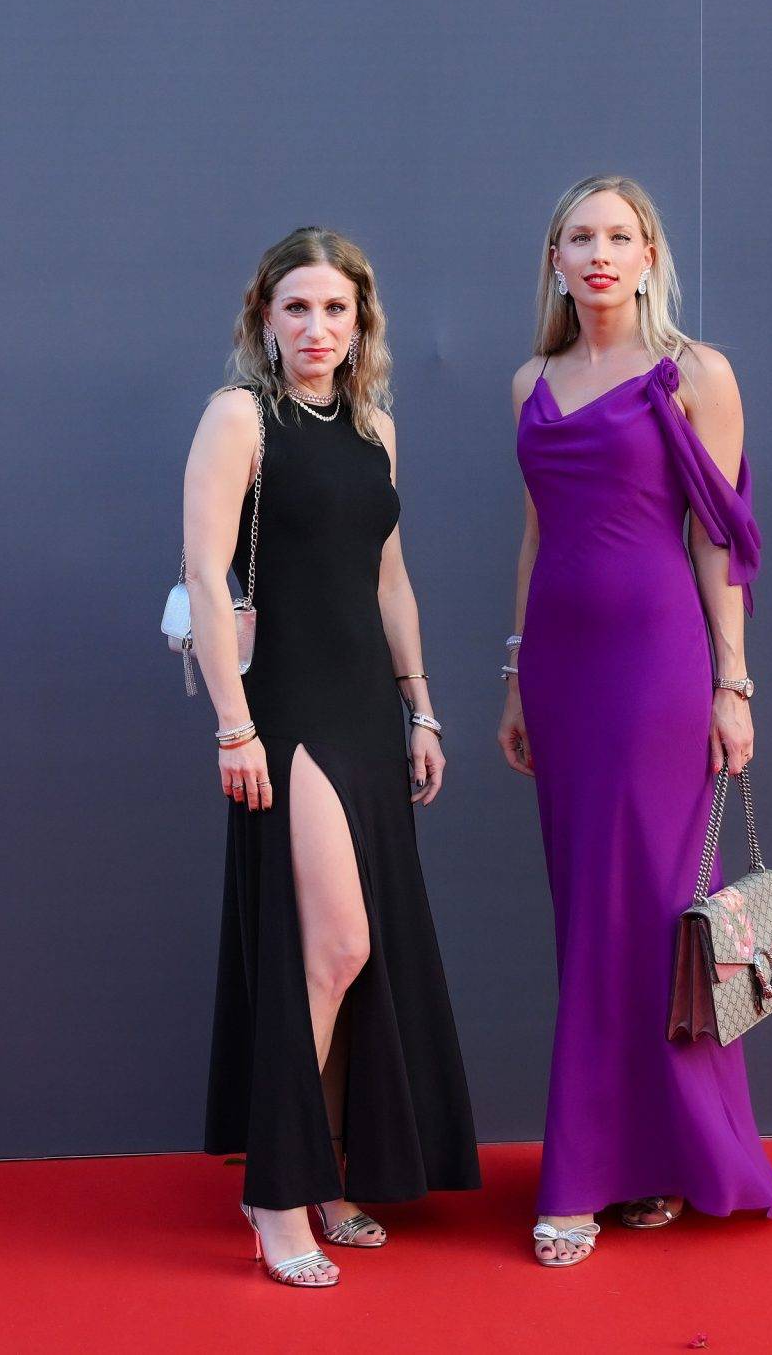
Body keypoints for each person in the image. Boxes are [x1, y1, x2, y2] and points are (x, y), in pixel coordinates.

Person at [498, 175, 772, 1267]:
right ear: (556, 259)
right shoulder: (530, 380)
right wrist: (516, 675)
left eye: (619, 236)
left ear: (650, 253)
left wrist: (733, 683)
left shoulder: (696, 373)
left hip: (656, 666)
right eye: (580, 236)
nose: (599, 253)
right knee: (588, 911)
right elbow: (536, 535)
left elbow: (719, 537)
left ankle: (598, 1173)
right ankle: (638, 1160)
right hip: (562, 670)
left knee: (655, 914)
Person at [185, 226, 480, 1289]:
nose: (317, 327)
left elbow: (389, 580)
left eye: (336, 310)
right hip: (288, 707)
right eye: (297, 307)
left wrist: (423, 710)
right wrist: (234, 724)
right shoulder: (237, 418)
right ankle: (275, 1191)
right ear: (263, 317)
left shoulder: (374, 430)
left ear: (362, 324)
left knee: (359, 959)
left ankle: (324, 1174)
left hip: (366, 708)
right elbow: (206, 575)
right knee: (336, 946)